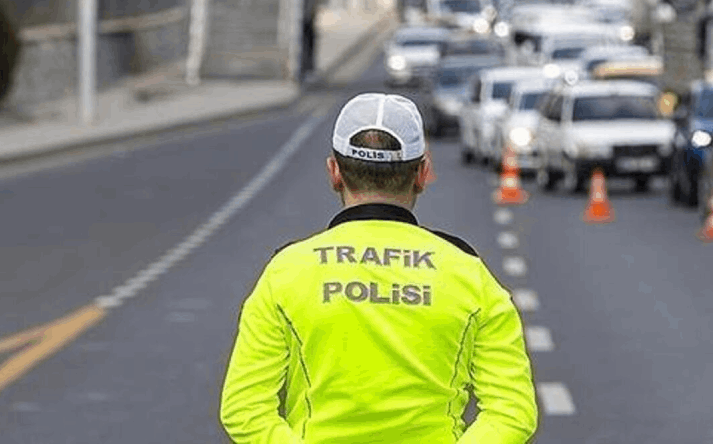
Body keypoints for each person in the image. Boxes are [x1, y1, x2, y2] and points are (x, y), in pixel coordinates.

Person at [220, 93, 538, 443]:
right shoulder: (468, 274)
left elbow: (243, 408)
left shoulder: (287, 272)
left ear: (335, 172)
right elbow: (513, 411)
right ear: (422, 173)